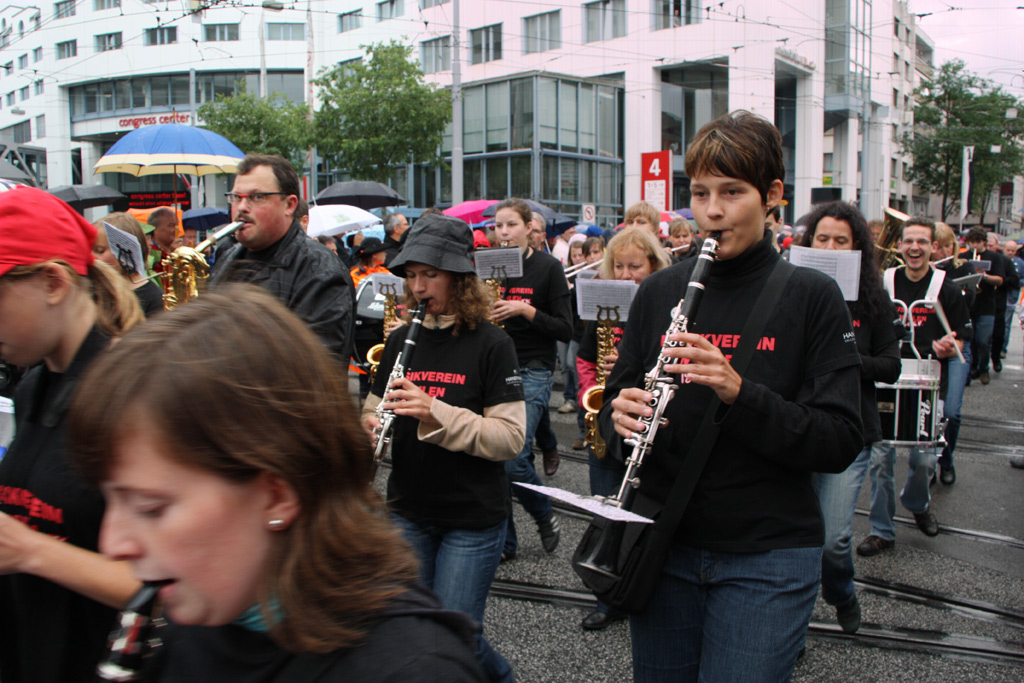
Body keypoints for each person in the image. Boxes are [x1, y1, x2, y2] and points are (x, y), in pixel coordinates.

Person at [68, 286, 486, 682]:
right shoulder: (201, 609)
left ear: (275, 496)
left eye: (151, 507)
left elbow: (507, 436)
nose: (112, 543)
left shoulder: (411, 669)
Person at [605, 111, 863, 681]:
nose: (712, 211)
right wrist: (616, 415)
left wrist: (738, 392)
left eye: (731, 192)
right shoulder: (659, 291)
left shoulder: (812, 296)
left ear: (772, 195)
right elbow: (617, 397)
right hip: (664, 540)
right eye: (699, 193)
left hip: (767, 555)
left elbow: (840, 438)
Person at [362, 215, 524, 683]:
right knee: (413, 632)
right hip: (407, 508)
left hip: (471, 517)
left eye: (430, 274)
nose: (418, 286)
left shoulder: (493, 344)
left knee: (457, 636)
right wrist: (370, 426)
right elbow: (371, 410)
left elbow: (509, 438)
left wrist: (435, 411)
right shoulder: (398, 341)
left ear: (460, 278)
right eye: (411, 275)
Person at [0, 186, 143, 683]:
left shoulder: (133, 391)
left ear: (54, 283)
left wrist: (32, 551)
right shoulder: (34, 383)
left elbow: (173, 584)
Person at [796, 201, 903, 634]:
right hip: (799, 427)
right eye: (823, 239)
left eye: (841, 240)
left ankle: (841, 592)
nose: (831, 246)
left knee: (833, 538)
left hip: (851, 430)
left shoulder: (875, 301)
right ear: (809, 242)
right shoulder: (793, 292)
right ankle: (792, 627)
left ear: (857, 247)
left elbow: (891, 366)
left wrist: (843, 355)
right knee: (797, 541)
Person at [576, 225, 671, 632]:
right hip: (607, 418)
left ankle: (642, 584)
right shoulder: (602, 307)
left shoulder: (665, 305)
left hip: (647, 420)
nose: (627, 273)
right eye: (620, 264)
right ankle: (606, 594)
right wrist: (594, 387)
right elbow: (582, 359)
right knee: (604, 504)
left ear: (654, 266)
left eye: (637, 265)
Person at [872, 216, 972, 541]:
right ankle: (881, 529)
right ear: (900, 245)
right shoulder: (882, 282)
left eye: (922, 242)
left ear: (933, 247)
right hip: (886, 379)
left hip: (927, 384)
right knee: (879, 460)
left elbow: (961, 337)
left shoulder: (947, 286)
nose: (915, 247)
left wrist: (949, 345)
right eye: (909, 241)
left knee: (926, 460)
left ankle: (917, 504)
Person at [210, 154, 356, 362]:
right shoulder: (228, 259)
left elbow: (314, 369)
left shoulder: (321, 272)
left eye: (256, 197)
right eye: (236, 197)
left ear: (289, 205)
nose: (241, 207)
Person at [492, 197, 573, 562]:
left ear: (529, 228)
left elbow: (565, 327)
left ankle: (543, 514)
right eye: (498, 226)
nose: (503, 232)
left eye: (511, 225)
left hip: (533, 366)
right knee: (490, 459)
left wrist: (525, 310)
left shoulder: (548, 267)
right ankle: (505, 542)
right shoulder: (488, 265)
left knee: (512, 457)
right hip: (493, 368)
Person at [930, 223, 976, 486]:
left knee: (951, 411)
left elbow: (968, 301)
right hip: (929, 344)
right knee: (928, 411)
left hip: (959, 344)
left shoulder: (963, 267)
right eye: (940, 244)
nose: (945, 250)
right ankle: (927, 465)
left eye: (949, 245)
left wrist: (943, 278)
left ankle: (946, 460)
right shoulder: (921, 270)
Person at [93, 212, 165, 317]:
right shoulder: (96, 291)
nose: (92, 257)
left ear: (126, 253)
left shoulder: (154, 298)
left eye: (100, 251)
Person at [963, 226, 1005, 385]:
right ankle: (968, 373)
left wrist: (984, 276)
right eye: (972, 242)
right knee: (968, 341)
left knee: (983, 340)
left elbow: (1000, 280)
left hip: (986, 306)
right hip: (968, 305)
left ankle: (984, 369)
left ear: (984, 243)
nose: (974, 246)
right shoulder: (964, 256)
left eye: (978, 242)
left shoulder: (994, 257)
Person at [146, 206, 180, 276]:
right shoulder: (149, 253)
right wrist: (173, 257)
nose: (178, 231)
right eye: (171, 226)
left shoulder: (180, 250)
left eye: (177, 226)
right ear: (156, 230)